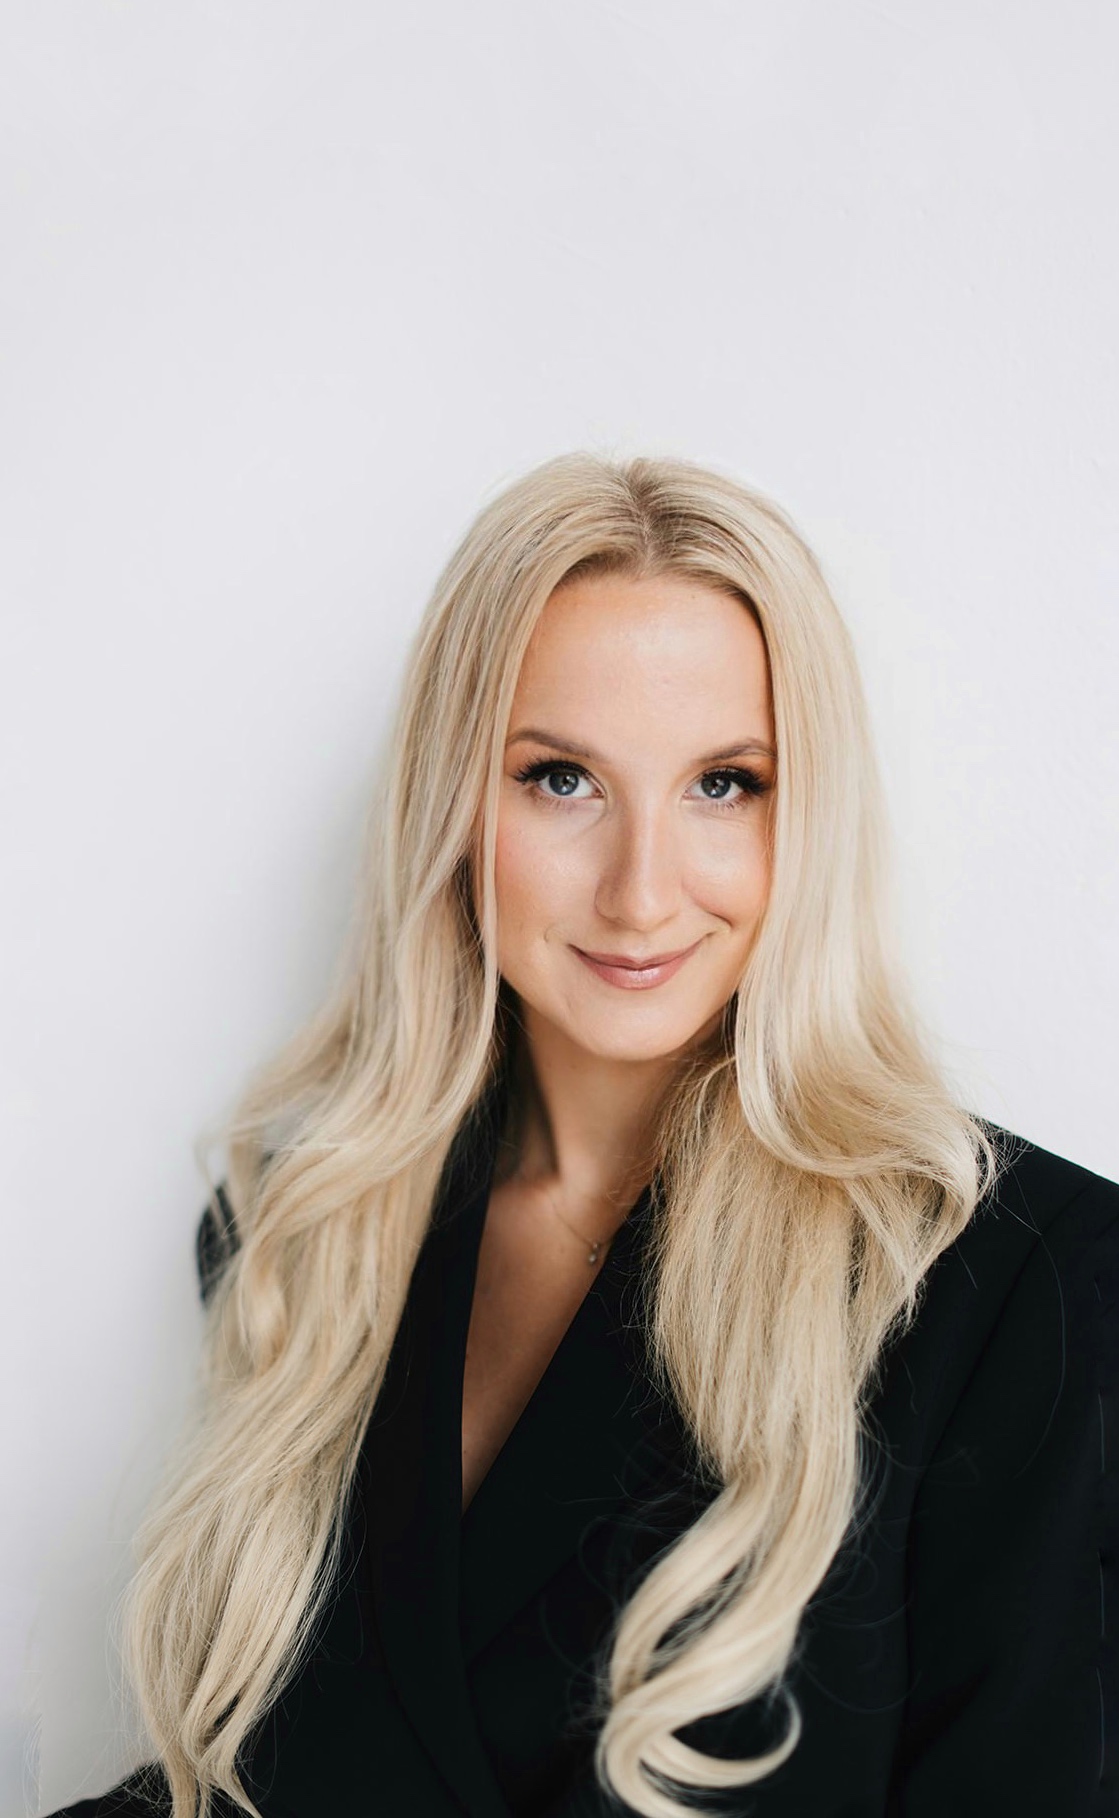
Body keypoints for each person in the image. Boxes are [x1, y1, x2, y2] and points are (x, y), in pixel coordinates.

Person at [50, 454, 1117, 1818]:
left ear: (811, 815)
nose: (642, 890)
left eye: (725, 784)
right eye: (561, 779)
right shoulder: (305, 1231)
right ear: (453, 804)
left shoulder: (1021, 1282)